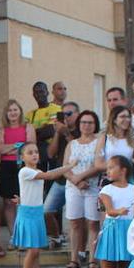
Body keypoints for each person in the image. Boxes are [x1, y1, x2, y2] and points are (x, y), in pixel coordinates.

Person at [13, 142, 73, 268]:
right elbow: (50, 175)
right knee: (32, 251)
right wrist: (69, 166)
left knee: (36, 252)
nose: (34, 155)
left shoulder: (35, 171)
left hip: (37, 213)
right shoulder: (25, 171)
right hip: (28, 215)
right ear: (22, 157)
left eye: (36, 152)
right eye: (30, 152)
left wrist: (21, 198)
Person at [95, 155, 134, 268]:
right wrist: (118, 211)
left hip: (128, 230)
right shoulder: (107, 190)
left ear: (123, 170)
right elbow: (109, 210)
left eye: (112, 167)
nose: (108, 171)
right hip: (112, 230)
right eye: (108, 168)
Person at [63, 110, 103, 268]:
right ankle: (74, 259)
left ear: (95, 125)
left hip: (92, 186)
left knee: (93, 223)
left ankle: (93, 259)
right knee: (75, 223)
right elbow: (65, 166)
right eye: (83, 122)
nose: (86, 126)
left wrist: (83, 178)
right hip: (73, 187)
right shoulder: (72, 144)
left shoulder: (98, 142)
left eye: (90, 123)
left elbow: (97, 165)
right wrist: (76, 180)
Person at [0, 100, 34, 258]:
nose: (12, 113)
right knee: (8, 203)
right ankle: (14, 236)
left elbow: (31, 146)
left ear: (20, 111)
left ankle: (24, 236)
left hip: (23, 168)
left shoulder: (28, 127)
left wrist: (11, 147)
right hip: (6, 167)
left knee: (23, 201)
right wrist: (18, 146)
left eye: (15, 109)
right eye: (10, 110)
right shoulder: (2, 129)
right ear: (6, 113)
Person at [42, 101, 77, 244]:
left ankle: (78, 247)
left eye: (69, 114)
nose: (66, 117)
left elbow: (77, 148)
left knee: (74, 218)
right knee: (46, 210)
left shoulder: (80, 130)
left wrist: (67, 133)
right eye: (64, 114)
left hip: (75, 179)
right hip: (60, 179)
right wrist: (57, 133)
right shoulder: (60, 131)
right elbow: (50, 154)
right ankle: (57, 236)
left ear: (77, 114)